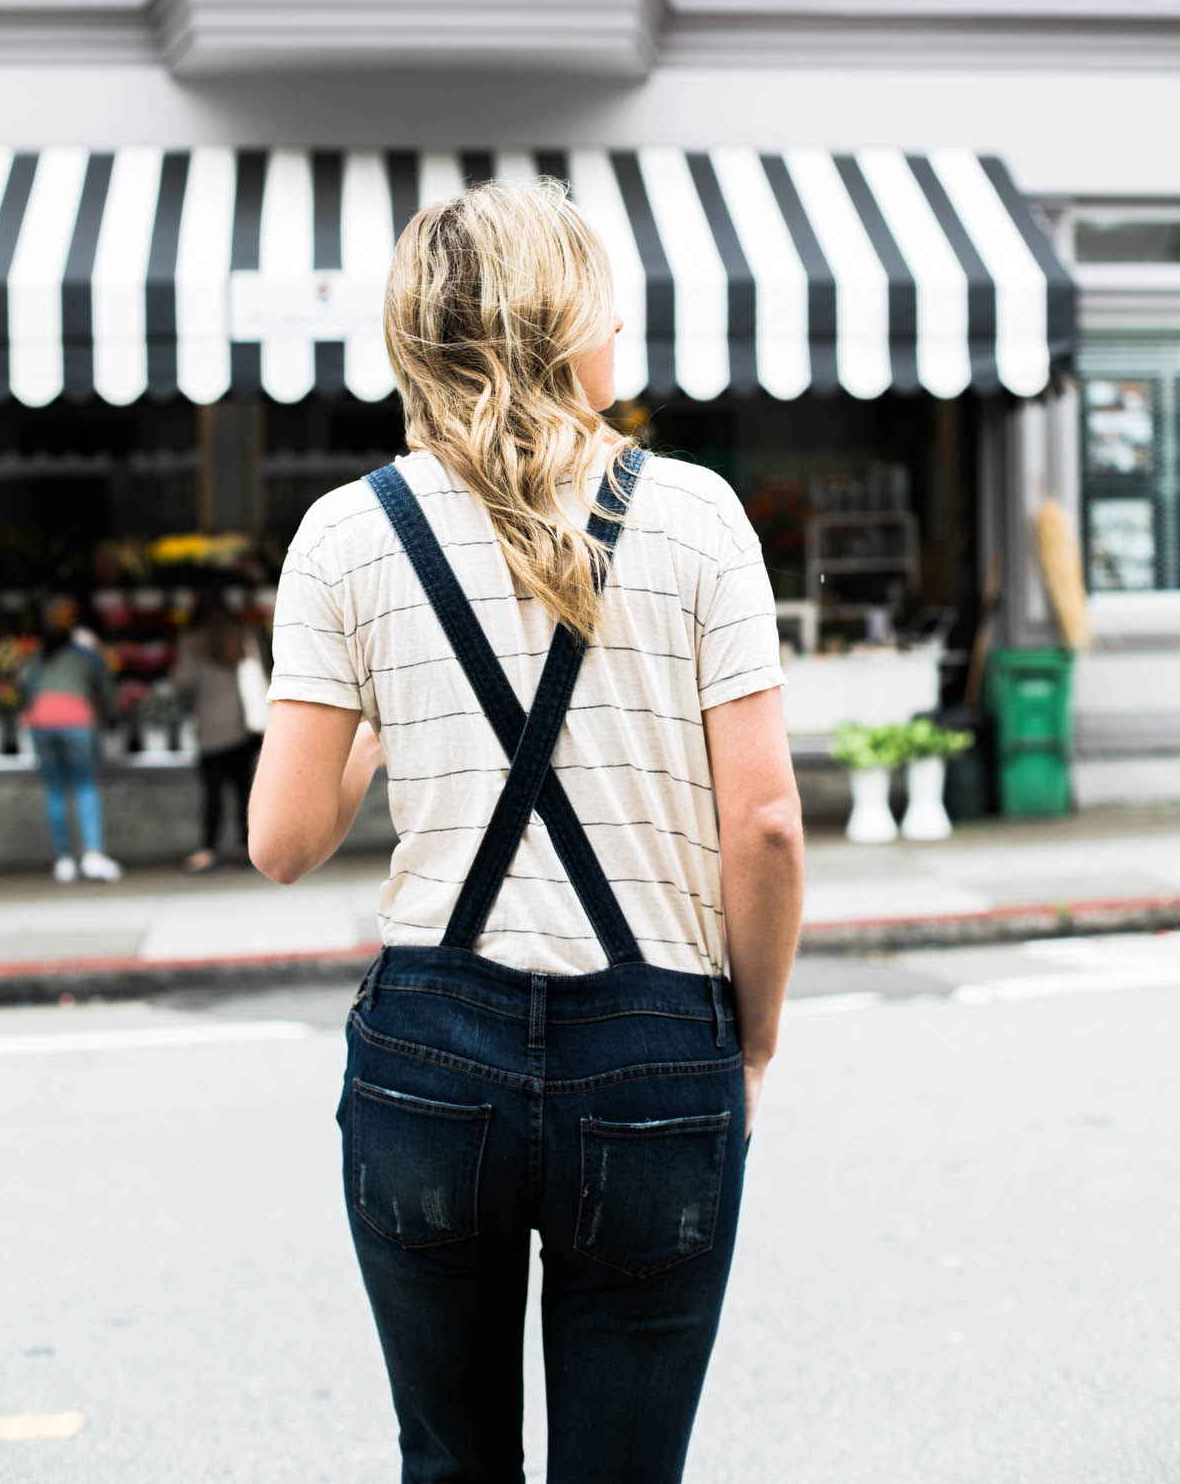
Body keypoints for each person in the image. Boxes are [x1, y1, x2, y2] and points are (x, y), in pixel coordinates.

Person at [248, 180, 805, 1484]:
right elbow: (767, 825)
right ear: (564, 321)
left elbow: (282, 840)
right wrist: (755, 1041)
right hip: (659, 1042)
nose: (627, 321)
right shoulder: (697, 514)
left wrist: (394, 710)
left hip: (431, 1059)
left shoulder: (346, 536)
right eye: (610, 297)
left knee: (451, 1467)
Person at [19, 597, 122, 884]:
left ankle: (64, 860)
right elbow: (106, 689)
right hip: (77, 722)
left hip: (41, 722)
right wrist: (113, 719)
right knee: (85, 786)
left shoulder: (37, 657)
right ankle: (92, 855)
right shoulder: (85, 655)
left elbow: (23, 688)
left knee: (55, 790)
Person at [173, 594, 266, 873]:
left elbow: (186, 683)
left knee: (212, 793)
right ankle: (246, 846)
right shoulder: (242, 635)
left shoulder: (191, 641)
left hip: (211, 728)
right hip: (244, 725)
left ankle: (209, 850)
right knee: (245, 791)